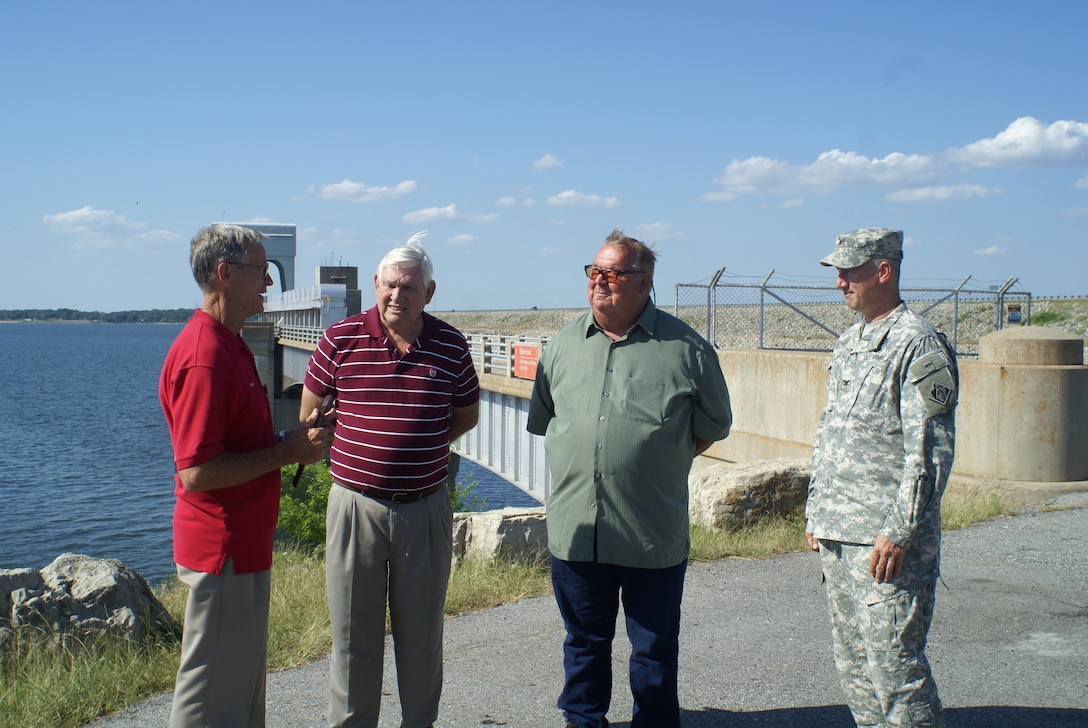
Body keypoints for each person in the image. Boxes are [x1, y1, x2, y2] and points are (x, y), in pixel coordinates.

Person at [527, 229, 733, 728]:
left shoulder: (686, 348)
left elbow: (712, 425)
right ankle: (583, 720)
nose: (600, 282)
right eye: (594, 272)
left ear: (644, 283)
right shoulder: (560, 347)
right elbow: (547, 418)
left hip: (650, 534)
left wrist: (653, 457)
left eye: (613, 274)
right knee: (583, 643)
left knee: (654, 648)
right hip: (578, 533)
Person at [300, 235, 480, 728]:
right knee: (353, 640)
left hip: (424, 509)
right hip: (355, 508)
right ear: (375, 285)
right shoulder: (340, 338)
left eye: (410, 287)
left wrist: (415, 441)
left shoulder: (450, 344)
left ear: (430, 291)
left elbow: (465, 415)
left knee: (421, 640)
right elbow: (311, 415)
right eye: (390, 285)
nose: (397, 295)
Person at [160, 223, 334, 728]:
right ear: (226, 274)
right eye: (262, 272)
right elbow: (195, 471)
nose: (269, 285)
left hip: (240, 551)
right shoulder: (205, 357)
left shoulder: (227, 344)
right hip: (223, 553)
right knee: (210, 698)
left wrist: (287, 444)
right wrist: (287, 453)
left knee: (236, 698)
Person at [805, 227, 958, 728]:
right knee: (855, 669)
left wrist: (899, 530)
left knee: (895, 670)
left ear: (883, 271)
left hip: (885, 542)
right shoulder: (851, 341)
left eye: (848, 272)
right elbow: (831, 432)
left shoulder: (920, 344)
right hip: (840, 533)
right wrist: (816, 510)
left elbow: (929, 452)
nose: (840, 283)